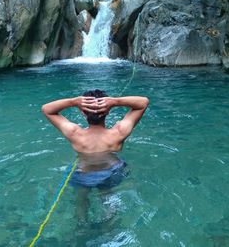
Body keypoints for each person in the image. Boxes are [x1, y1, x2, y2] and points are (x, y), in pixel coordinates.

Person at [42, 89, 149, 225]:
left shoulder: (74, 133)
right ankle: (109, 228)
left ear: (82, 112)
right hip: (110, 172)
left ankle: (81, 227)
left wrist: (74, 101)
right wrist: (115, 101)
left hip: (83, 174)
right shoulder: (119, 132)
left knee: (81, 201)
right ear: (108, 111)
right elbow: (143, 102)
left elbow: (47, 109)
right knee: (108, 198)